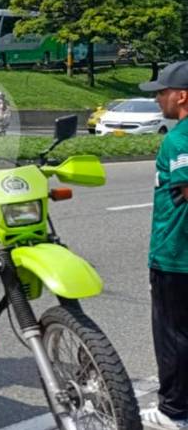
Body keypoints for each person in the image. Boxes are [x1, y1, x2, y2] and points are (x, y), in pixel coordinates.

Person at [140, 60, 188, 429]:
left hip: (177, 257)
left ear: (182, 96)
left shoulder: (180, 139)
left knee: (172, 334)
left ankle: (173, 412)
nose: (158, 99)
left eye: (162, 92)